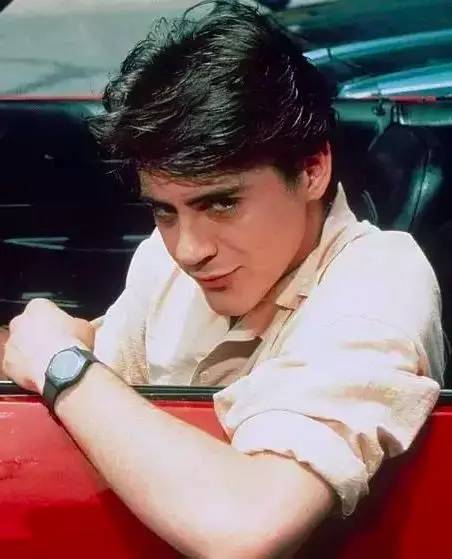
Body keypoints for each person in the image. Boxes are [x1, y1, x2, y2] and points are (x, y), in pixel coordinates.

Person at [2, 2, 444, 557]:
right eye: (164, 210)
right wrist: (48, 347)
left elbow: (245, 529)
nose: (189, 250)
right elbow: (101, 371)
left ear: (312, 170)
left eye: (223, 203)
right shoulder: (170, 260)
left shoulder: (378, 283)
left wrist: (61, 365)